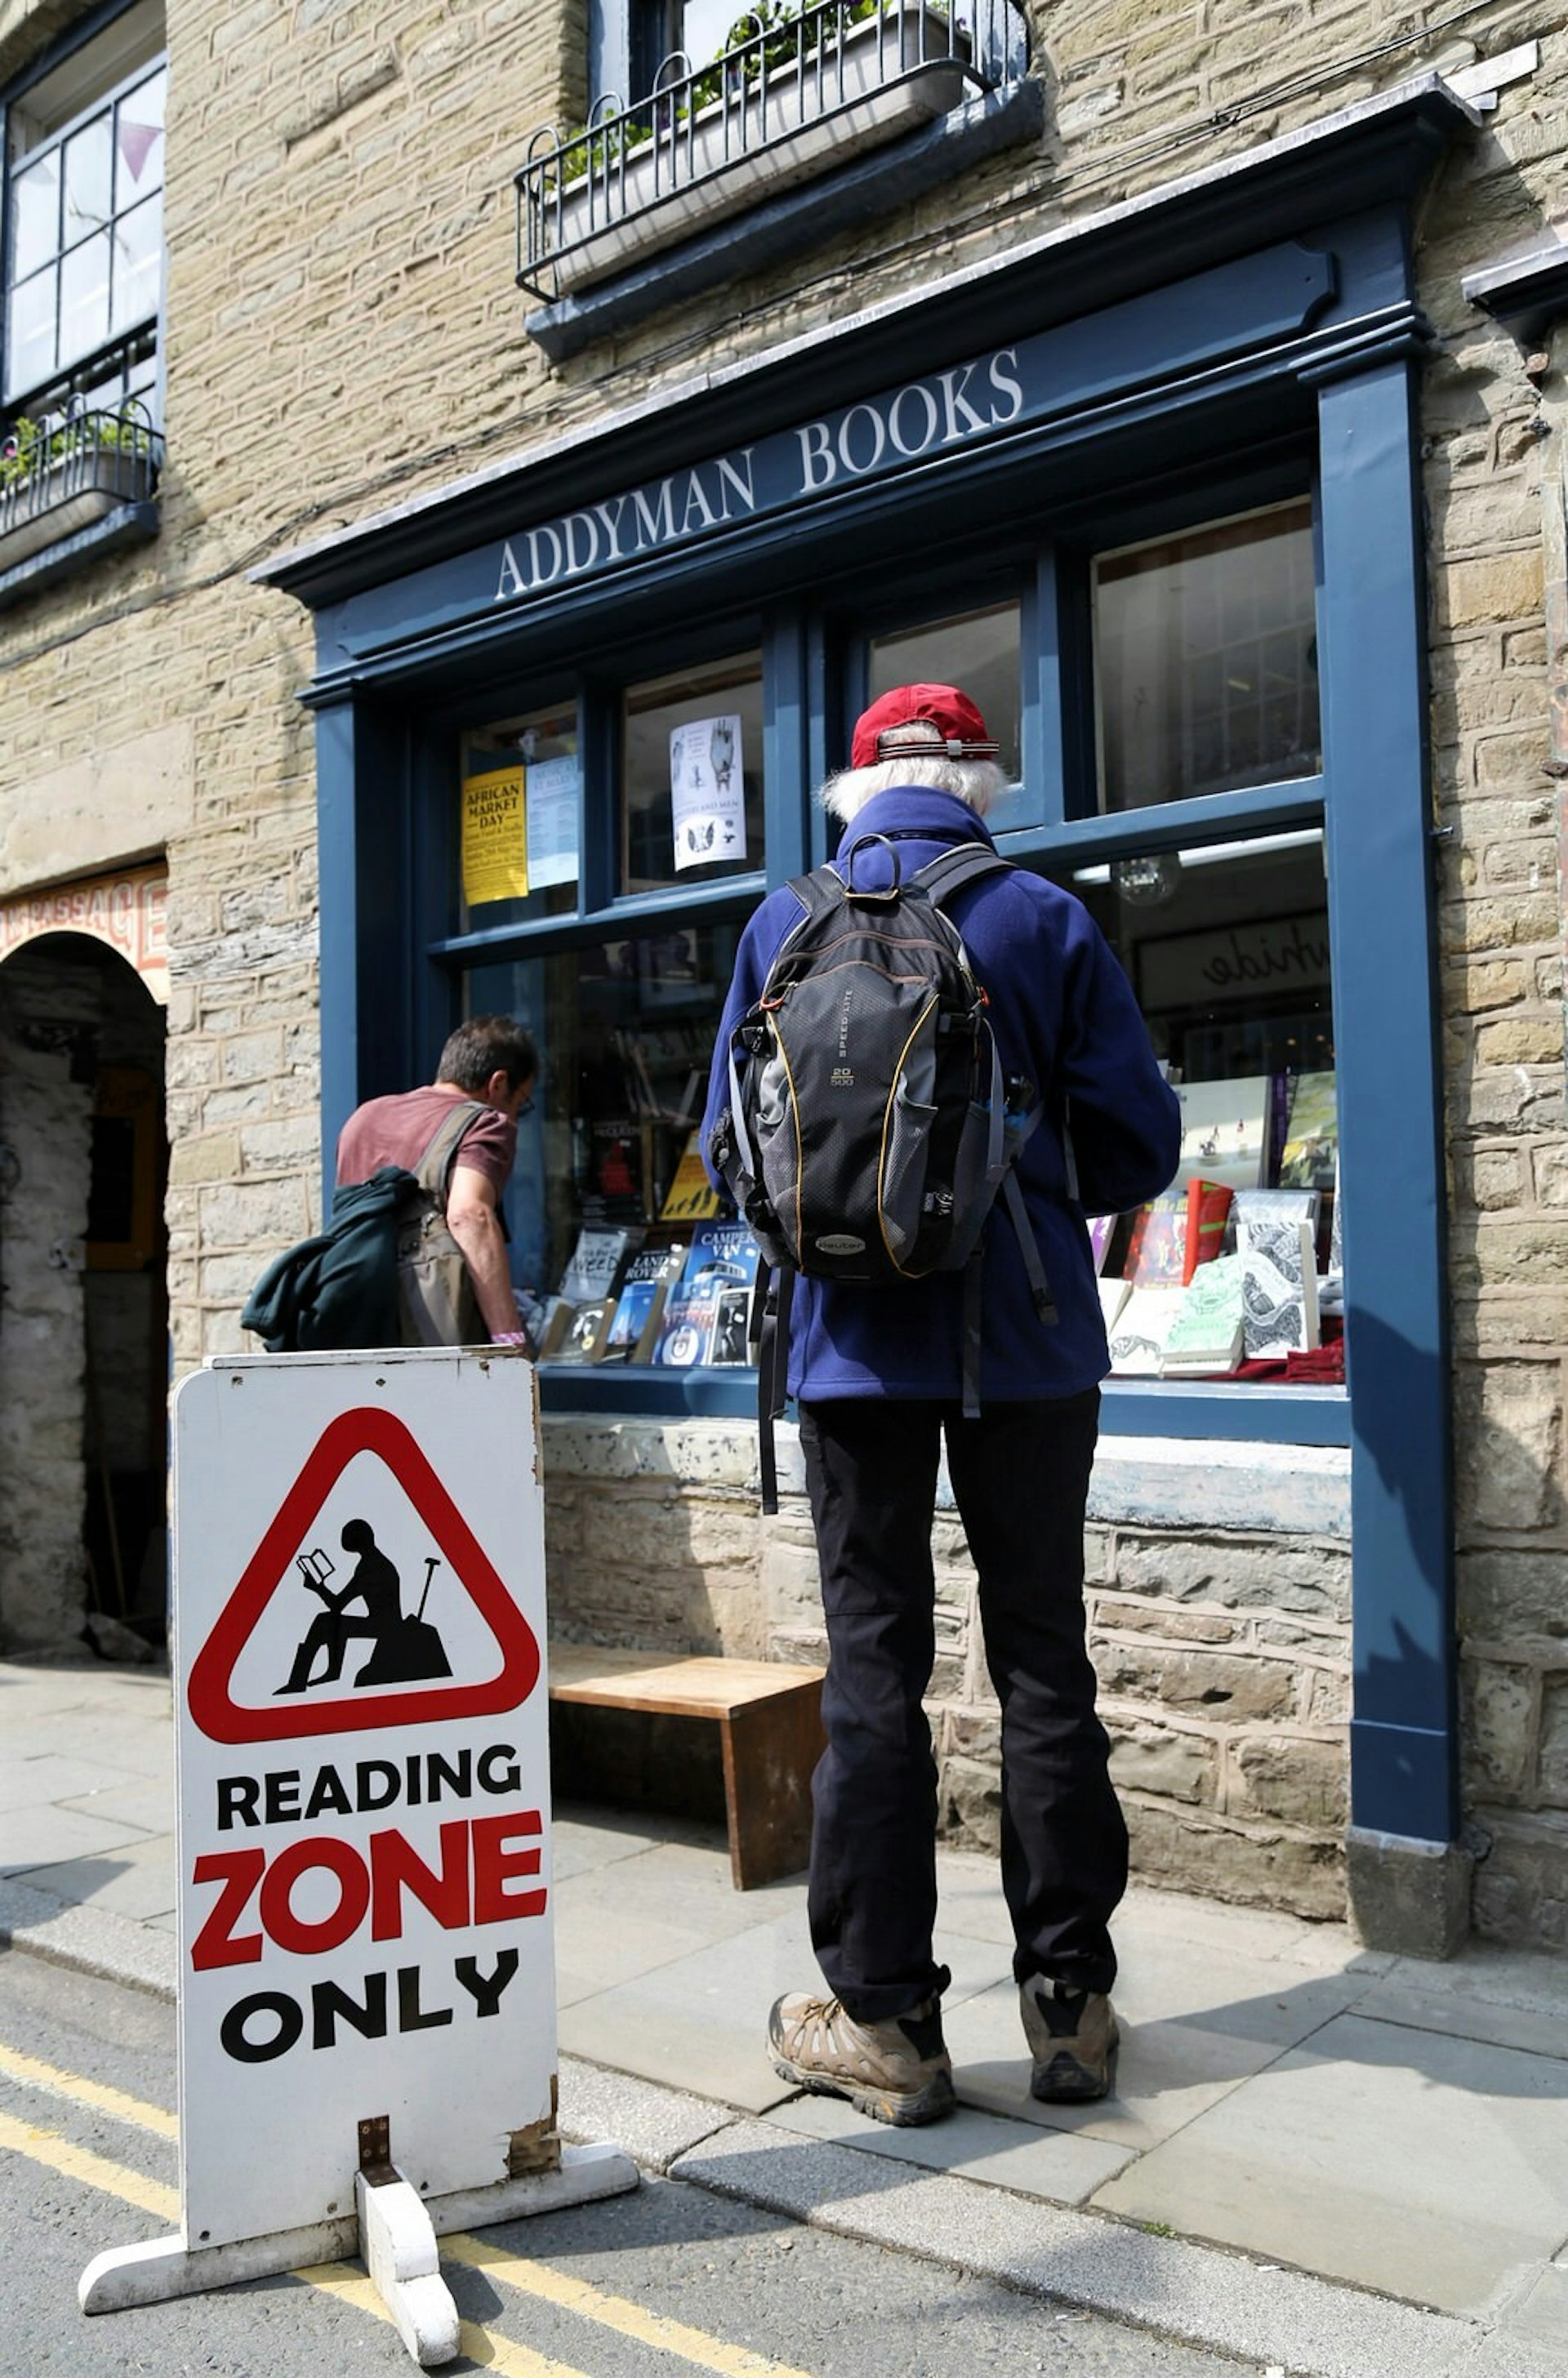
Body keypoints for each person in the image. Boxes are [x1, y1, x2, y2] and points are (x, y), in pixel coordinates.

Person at [702, 684, 1181, 2128]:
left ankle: (889, 2022)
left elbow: (732, 1151)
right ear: (978, 778)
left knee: (872, 1672)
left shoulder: (780, 922)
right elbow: (1142, 1144)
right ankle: (1069, 2002)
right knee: (1042, 1659)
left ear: (856, 790)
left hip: (852, 1354)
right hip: (1028, 1347)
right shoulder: (1039, 916)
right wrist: (1021, 1188)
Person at [336, 1015, 537, 1349]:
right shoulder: (485, 1122)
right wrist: (509, 1341)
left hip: (357, 1324)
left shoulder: (363, 1118)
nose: (514, 1115)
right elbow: (469, 1215)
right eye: (521, 1103)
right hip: (434, 1336)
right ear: (498, 1084)